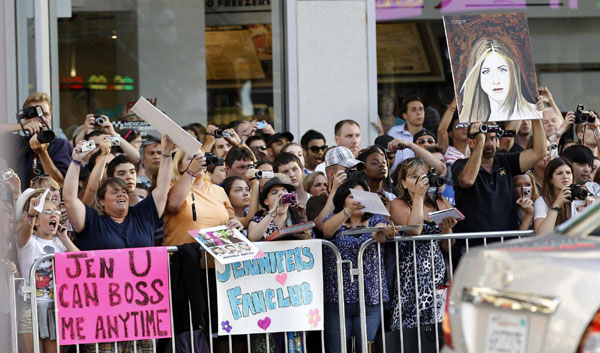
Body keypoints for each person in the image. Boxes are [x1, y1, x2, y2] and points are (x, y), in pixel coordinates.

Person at [388, 158, 457, 352]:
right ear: (403, 182)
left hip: (435, 278)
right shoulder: (397, 204)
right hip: (410, 279)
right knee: (410, 334)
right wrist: (418, 196)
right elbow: (415, 230)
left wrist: (448, 229)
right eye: (414, 177)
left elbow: (448, 245)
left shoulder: (438, 203)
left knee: (435, 334)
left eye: (423, 177)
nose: (420, 181)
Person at [63, 134, 174, 251]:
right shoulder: (91, 221)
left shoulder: (143, 215)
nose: (121, 194)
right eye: (114, 192)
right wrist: (76, 161)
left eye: (124, 192)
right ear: (102, 201)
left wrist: (166, 153)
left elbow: (163, 187)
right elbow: (70, 199)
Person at [322, 177, 395, 353]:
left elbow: (379, 235)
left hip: (370, 295)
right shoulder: (334, 219)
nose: (358, 200)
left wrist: (388, 234)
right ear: (343, 199)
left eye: (362, 195)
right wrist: (347, 212)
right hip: (337, 296)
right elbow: (327, 231)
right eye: (352, 196)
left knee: (366, 347)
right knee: (337, 349)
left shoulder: (376, 218)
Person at [452, 118, 546, 238]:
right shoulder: (460, 164)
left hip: (506, 244)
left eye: (492, 138)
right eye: (485, 139)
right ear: (471, 143)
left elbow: (540, 152)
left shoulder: (505, 161)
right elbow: (467, 181)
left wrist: (536, 118)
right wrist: (479, 144)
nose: (489, 144)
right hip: (474, 246)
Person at [15, 189, 78, 353]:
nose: (53, 215)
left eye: (56, 212)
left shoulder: (61, 244)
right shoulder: (30, 242)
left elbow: (82, 263)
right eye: (47, 212)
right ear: (36, 221)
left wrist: (64, 238)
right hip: (31, 308)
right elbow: (24, 233)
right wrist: (30, 214)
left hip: (56, 310)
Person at [163, 147, 241, 247]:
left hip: (215, 258)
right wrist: (191, 171)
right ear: (180, 166)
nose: (199, 162)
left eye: (202, 158)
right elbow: (173, 205)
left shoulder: (218, 190)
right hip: (184, 258)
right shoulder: (170, 188)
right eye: (192, 158)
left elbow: (231, 219)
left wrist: (235, 224)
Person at [1, 92, 73, 189]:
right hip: (19, 202)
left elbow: (60, 184)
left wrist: (42, 153)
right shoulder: (17, 143)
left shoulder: (61, 145)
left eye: (46, 114)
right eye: (36, 114)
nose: (42, 119)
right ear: (26, 119)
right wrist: (20, 127)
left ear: (50, 117)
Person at [460, 37, 542, 122]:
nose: (496, 81)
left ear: (513, 72)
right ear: (476, 77)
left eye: (502, 70)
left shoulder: (534, 113)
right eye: (486, 72)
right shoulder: (474, 120)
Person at [534, 157, 594, 234]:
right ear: (550, 180)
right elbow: (542, 234)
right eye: (559, 173)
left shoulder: (582, 196)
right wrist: (556, 205)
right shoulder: (542, 201)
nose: (565, 176)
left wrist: (591, 209)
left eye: (568, 172)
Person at [247, 175, 310, 242]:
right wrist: (273, 211)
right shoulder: (258, 220)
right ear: (266, 201)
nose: (281, 194)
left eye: (284, 190)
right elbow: (252, 238)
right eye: (275, 193)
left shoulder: (298, 218)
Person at [387, 96, 426, 170]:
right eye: (414, 110)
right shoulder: (393, 132)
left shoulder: (428, 137)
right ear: (405, 115)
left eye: (421, 109)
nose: (419, 112)